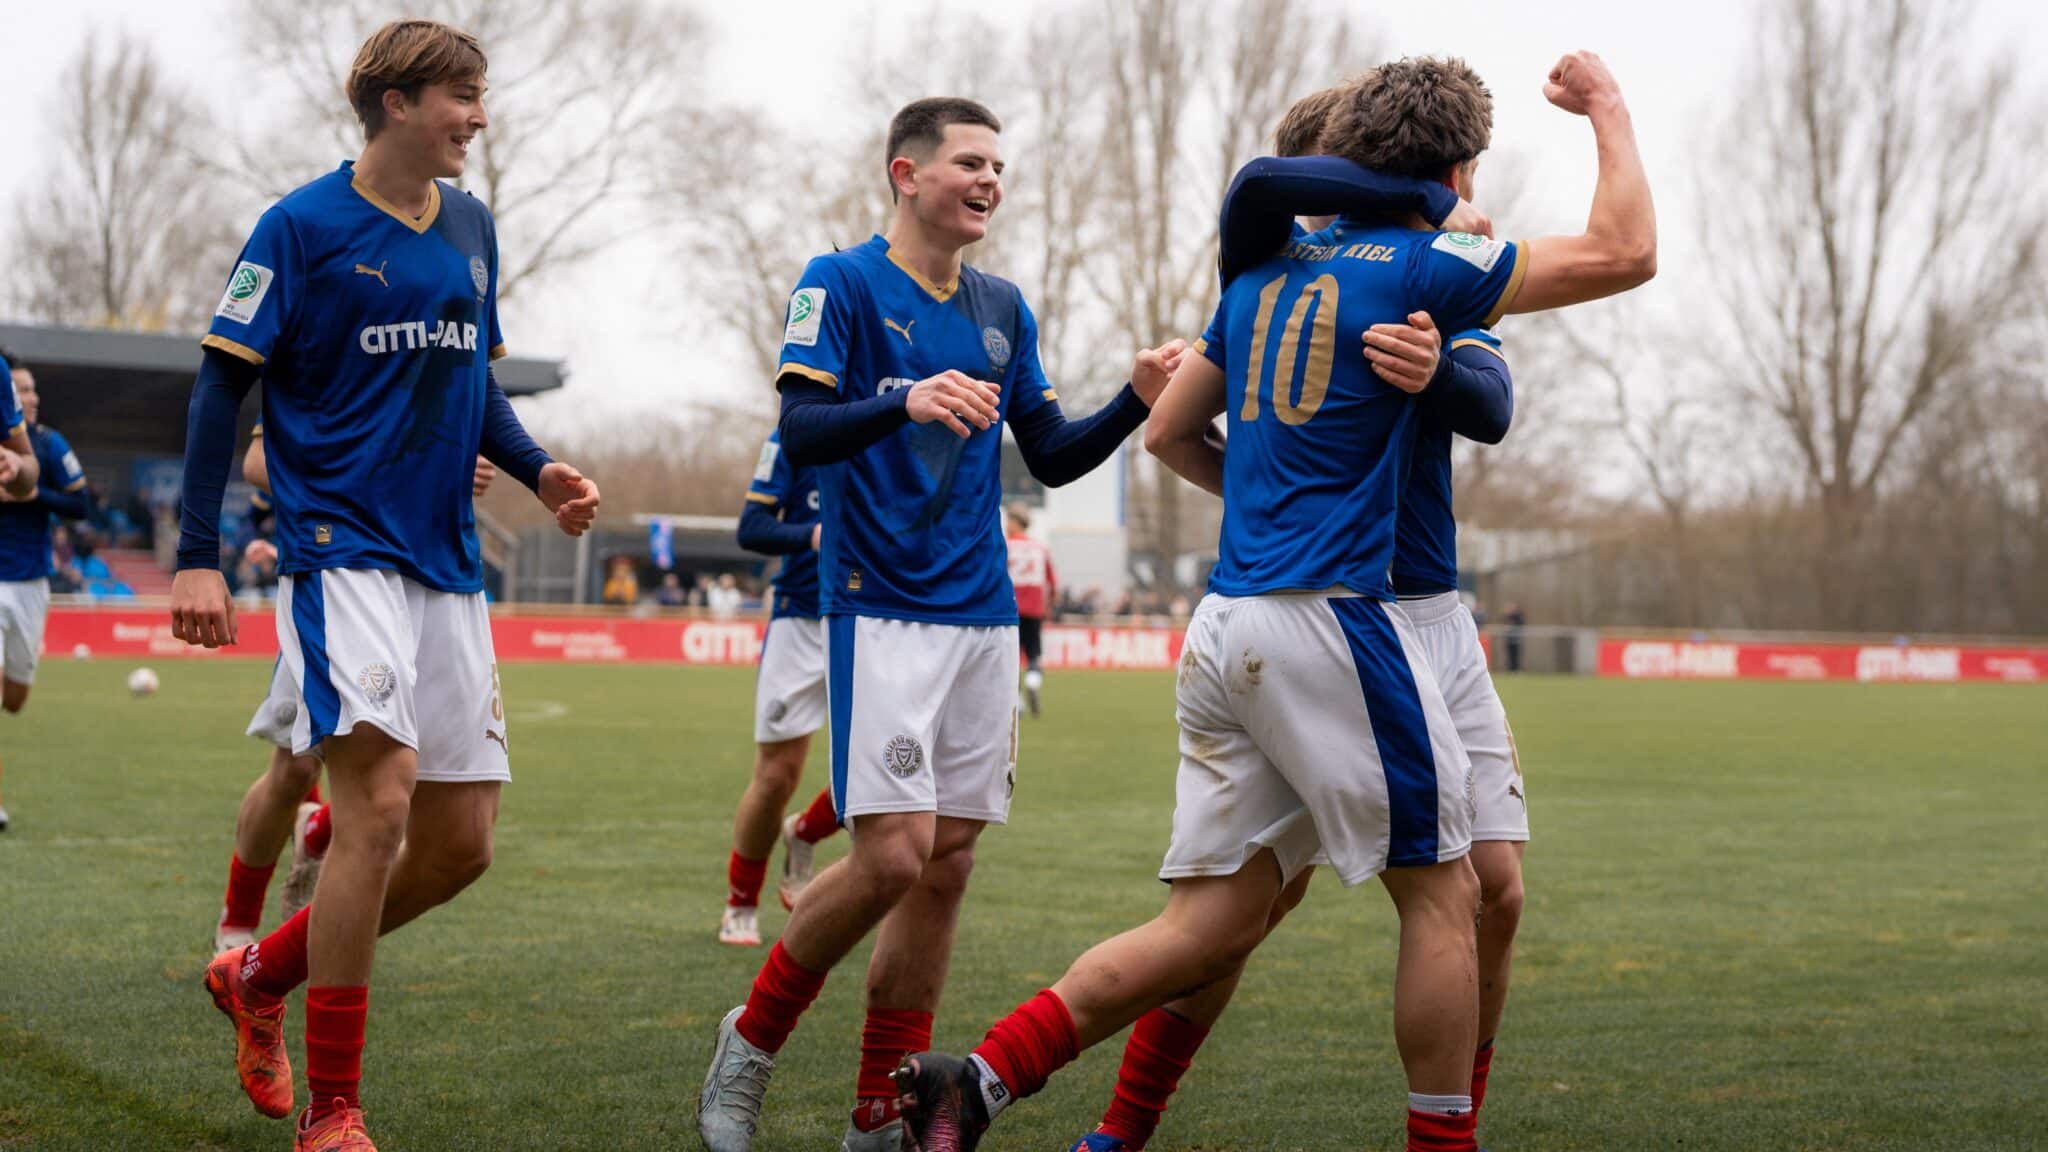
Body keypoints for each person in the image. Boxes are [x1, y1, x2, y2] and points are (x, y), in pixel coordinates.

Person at [897, 50, 1655, 1152]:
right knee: (1439, 899)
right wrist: (1606, 107)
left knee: (1222, 921)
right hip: (1344, 621)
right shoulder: (1428, 262)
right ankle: (1442, 1141)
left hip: (1242, 620)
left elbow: (1172, 429)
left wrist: (1406, 395)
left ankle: (978, 1079)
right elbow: (1625, 250)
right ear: (1454, 166)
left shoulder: (1259, 278)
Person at [695, 94, 1198, 1152]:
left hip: (977, 618)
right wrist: (905, 400)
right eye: (969, 162)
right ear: (905, 173)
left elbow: (1051, 451)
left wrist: (1131, 396)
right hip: (877, 605)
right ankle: (750, 1043)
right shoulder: (836, 284)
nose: (989, 182)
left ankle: (882, 1109)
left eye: (998, 167)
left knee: (948, 862)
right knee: (887, 859)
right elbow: (799, 426)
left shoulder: (1001, 305)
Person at [1062, 85, 1533, 1152]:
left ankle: (1459, 1112)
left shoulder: (1429, 269)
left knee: (1489, 891)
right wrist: (1284, 503)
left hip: (1424, 612)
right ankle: (1117, 1124)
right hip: (1344, 619)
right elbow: (1180, 432)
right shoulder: (1277, 278)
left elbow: (1495, 405)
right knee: (1256, 914)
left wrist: (1442, 365)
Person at [172, 20, 599, 1151]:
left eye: (480, 93)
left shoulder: (471, 227)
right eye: (464, 94)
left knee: (461, 847)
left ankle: (259, 975)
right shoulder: (299, 226)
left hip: (445, 563)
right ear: (398, 102)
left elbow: (478, 389)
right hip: (338, 551)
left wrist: (538, 469)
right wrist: (196, 549)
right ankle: (338, 1108)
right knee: (375, 801)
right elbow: (221, 393)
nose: (479, 115)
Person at [212, 427, 500, 955]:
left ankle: (317, 830)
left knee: (406, 776)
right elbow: (260, 459)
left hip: (435, 584)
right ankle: (237, 927)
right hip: (344, 580)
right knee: (296, 769)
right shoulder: (334, 350)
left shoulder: (453, 357)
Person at [721, 429, 845, 945]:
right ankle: (740, 903)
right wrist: (811, 536)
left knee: (882, 769)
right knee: (776, 776)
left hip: (878, 614)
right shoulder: (795, 436)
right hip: (800, 617)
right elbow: (751, 528)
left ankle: (807, 831)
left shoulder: (906, 418)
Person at [0, 349, 66, 832]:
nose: (28, 397)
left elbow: (32, 475)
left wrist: (20, 477)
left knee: (15, 697)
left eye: (29, 390)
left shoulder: (47, 443)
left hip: (28, 580)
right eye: (21, 389)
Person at [1003, 503, 1054, 717]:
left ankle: (1018, 702)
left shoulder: (1005, 546)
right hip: (1034, 610)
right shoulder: (1040, 548)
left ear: (1016, 522)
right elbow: (1052, 581)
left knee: (1010, 659)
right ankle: (1033, 681)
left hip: (1010, 609)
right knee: (1033, 654)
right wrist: (1048, 605)